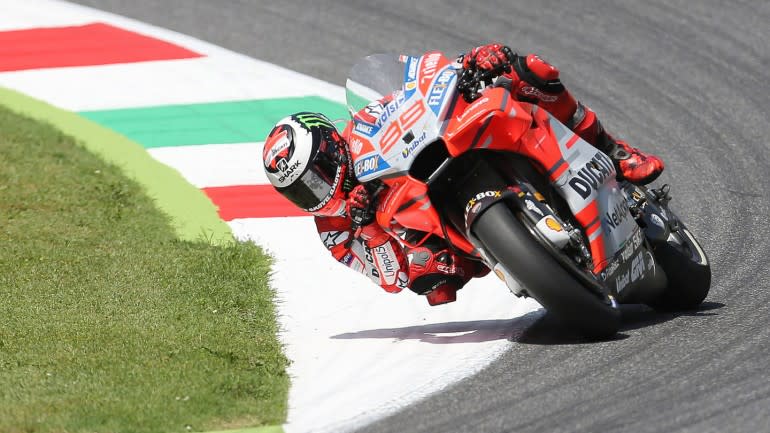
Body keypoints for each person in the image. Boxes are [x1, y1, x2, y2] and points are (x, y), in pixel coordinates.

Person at [261, 43, 664, 306]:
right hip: (442, 246)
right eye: (301, 191)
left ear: (332, 145)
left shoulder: (362, 127)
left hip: (440, 150)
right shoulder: (335, 227)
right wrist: (368, 227)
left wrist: (468, 63)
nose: (316, 191)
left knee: (528, 71)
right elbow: (390, 275)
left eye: (316, 174)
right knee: (430, 280)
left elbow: (413, 86)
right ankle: (526, 258)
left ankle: (612, 148)